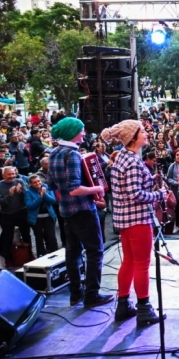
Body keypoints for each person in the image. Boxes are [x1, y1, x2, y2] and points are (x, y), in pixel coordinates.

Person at [102, 120, 166, 325]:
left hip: (125, 219)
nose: (146, 133)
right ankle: (144, 308)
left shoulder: (123, 156)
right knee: (142, 264)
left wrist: (151, 179)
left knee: (129, 261)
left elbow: (130, 186)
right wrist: (158, 194)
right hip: (137, 220)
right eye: (143, 131)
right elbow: (135, 194)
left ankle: (123, 305)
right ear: (132, 137)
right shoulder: (133, 162)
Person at [47, 118, 112, 308]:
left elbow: (52, 185)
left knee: (72, 253)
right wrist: (97, 188)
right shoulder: (73, 155)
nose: (84, 133)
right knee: (95, 251)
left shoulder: (54, 153)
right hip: (83, 210)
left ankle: (75, 294)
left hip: (66, 211)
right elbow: (74, 188)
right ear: (72, 132)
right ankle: (92, 295)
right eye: (81, 130)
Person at [25, 174, 59, 257]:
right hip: (36, 219)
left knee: (52, 237)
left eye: (38, 181)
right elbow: (30, 206)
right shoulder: (28, 192)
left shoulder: (47, 188)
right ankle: (41, 255)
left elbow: (53, 201)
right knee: (39, 238)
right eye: (34, 182)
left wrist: (44, 194)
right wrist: (40, 197)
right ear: (30, 184)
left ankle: (55, 254)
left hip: (48, 217)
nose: (37, 183)